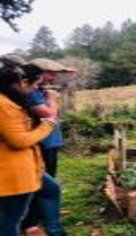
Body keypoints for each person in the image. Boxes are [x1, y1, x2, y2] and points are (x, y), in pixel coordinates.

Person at [0, 55, 57, 236]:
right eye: (34, 84)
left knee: (51, 189)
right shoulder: (4, 105)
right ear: (23, 82)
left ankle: (53, 229)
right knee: (9, 219)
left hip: (26, 165)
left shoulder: (11, 100)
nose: (34, 89)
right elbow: (19, 140)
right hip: (12, 171)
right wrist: (48, 125)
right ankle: (35, 227)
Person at [22, 59, 74, 236]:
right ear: (38, 74)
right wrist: (52, 99)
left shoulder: (39, 90)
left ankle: (46, 216)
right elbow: (49, 114)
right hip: (41, 143)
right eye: (51, 73)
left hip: (50, 141)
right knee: (40, 185)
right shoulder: (33, 93)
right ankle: (32, 224)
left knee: (48, 182)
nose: (54, 77)